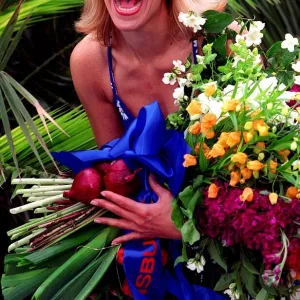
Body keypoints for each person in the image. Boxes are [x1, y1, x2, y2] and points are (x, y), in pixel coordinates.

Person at [70, 0, 227, 246]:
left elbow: (268, 179)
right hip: (153, 247)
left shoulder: (220, 39)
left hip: (229, 245)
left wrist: (186, 226)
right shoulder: (90, 61)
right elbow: (118, 177)